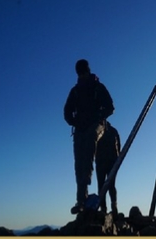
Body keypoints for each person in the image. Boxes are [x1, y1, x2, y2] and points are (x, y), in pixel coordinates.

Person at [64, 59, 115, 215]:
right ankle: (81, 200)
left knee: (86, 155)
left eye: (84, 72)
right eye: (80, 73)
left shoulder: (98, 88)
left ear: (88, 70)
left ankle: (83, 199)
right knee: (78, 163)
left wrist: (97, 117)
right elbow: (66, 112)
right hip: (80, 128)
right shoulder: (75, 91)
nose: (82, 75)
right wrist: (75, 121)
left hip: (96, 126)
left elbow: (110, 107)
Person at [96, 121, 120, 219]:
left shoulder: (110, 131)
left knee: (106, 186)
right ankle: (106, 208)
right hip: (107, 162)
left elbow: (118, 147)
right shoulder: (113, 131)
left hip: (108, 162)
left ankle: (108, 208)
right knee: (106, 186)